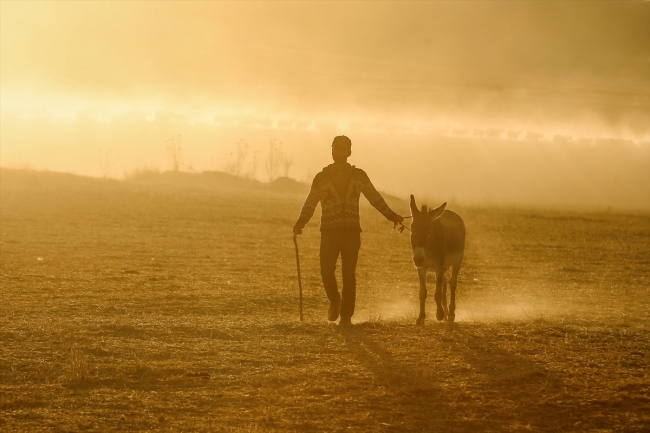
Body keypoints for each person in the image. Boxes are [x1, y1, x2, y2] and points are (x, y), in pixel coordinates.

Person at [293, 136, 404, 325]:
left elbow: (375, 198)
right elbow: (310, 203)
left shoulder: (359, 176)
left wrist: (392, 216)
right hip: (329, 232)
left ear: (349, 152)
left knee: (349, 275)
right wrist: (300, 223)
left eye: (342, 149)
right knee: (326, 271)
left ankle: (346, 316)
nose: (337, 152)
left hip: (352, 233)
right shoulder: (321, 178)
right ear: (331, 151)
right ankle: (335, 301)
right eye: (334, 148)